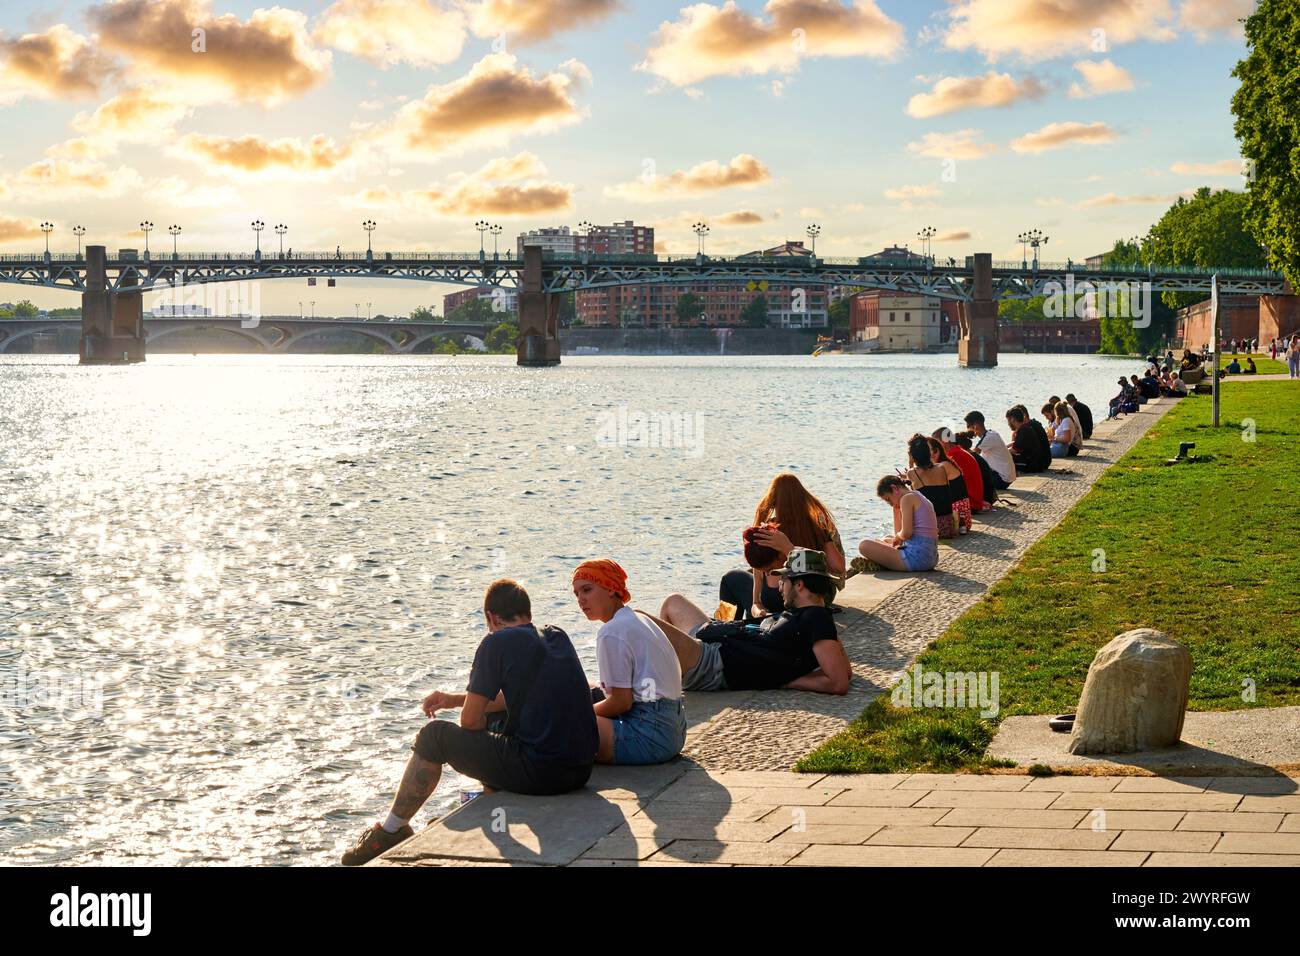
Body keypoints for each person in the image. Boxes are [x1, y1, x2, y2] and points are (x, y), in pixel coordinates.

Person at [341, 579, 598, 866]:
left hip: (542, 774)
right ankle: (491, 796)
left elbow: (470, 722)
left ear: (490, 617)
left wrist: (479, 753)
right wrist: (453, 699)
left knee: (434, 736)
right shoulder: (555, 636)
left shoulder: (495, 642)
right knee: (500, 719)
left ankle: (390, 830)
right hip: (579, 770)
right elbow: (521, 696)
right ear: (527, 612)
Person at [655, 548, 851, 695]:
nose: (780, 586)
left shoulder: (816, 618)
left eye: (784, 580)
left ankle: (656, 690)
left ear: (799, 585)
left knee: (643, 620)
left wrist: (790, 681)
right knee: (673, 602)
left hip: (714, 664)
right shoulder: (812, 617)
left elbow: (839, 682)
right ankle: (664, 677)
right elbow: (844, 669)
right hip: (716, 639)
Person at [572, 560, 686, 766]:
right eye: (577, 594)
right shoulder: (638, 619)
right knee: (580, 688)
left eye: (587, 590)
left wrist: (579, 713)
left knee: (562, 724)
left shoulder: (611, 632)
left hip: (649, 737)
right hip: (675, 731)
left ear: (610, 589)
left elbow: (621, 702)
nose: (581, 600)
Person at [718, 474, 846, 621]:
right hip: (818, 598)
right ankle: (740, 626)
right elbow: (839, 567)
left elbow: (759, 585)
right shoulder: (816, 528)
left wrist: (788, 548)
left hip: (781, 600)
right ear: (802, 499)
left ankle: (725, 627)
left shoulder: (771, 532)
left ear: (773, 501)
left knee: (730, 579)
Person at [858, 474, 940, 572]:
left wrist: (898, 536)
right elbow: (900, 534)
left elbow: (906, 533)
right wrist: (896, 509)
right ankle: (882, 563)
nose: (891, 504)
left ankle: (880, 564)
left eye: (889, 500)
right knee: (886, 539)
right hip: (930, 558)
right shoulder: (917, 495)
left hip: (917, 560)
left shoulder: (907, 499)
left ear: (894, 488)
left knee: (864, 545)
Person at [905, 434, 956, 538]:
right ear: (928, 453)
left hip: (931, 528)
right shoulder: (941, 468)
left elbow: (912, 497)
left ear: (912, 456)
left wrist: (910, 463)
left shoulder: (912, 473)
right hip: (948, 525)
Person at [934, 428, 986, 513]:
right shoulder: (958, 451)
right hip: (972, 500)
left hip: (970, 503)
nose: (934, 447)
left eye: (936, 442)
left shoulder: (954, 456)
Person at [963, 410, 1016, 489]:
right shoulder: (991, 434)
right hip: (1005, 477)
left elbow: (972, 455)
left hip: (1001, 479)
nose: (968, 430)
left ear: (976, 425)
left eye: (968, 427)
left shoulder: (988, 438)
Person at [954, 430, 999, 507]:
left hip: (983, 498)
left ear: (959, 446)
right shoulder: (973, 455)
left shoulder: (965, 457)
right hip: (988, 495)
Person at [1007, 405, 1051, 472]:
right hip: (1038, 463)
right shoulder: (1025, 428)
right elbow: (1016, 446)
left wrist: (1000, 452)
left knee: (1006, 459)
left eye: (1008, 420)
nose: (1008, 424)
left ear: (1013, 419)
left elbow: (1013, 450)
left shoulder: (1023, 430)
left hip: (1033, 465)